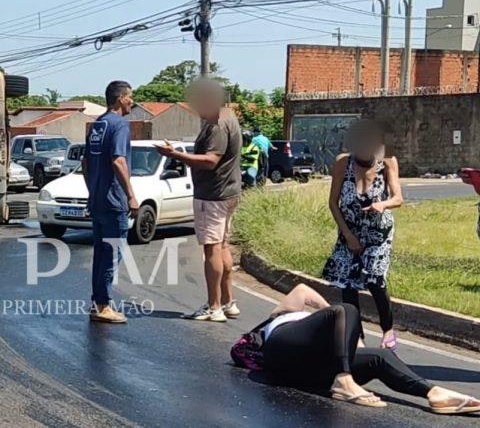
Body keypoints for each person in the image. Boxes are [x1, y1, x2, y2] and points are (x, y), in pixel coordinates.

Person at [256, 284, 480, 413]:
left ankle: (434, 393)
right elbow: (302, 290)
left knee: (380, 356)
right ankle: (344, 381)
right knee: (347, 309)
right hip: (281, 351)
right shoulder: (284, 316)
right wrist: (333, 313)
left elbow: (334, 318)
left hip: (315, 370)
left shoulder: (327, 330)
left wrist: (345, 333)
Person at [155, 78, 241, 322]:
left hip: (213, 195)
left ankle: (213, 306)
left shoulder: (216, 125)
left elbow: (211, 160)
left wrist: (176, 155)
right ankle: (228, 301)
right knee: (222, 246)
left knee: (212, 249)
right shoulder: (228, 116)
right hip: (227, 192)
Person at [323, 120, 403, 349]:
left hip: (378, 233)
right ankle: (355, 334)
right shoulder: (342, 163)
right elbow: (333, 203)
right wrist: (347, 235)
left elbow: (398, 198)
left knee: (375, 279)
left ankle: (388, 329)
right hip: (350, 231)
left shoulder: (387, 161)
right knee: (348, 283)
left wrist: (383, 204)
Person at [82, 80, 138, 324]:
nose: (132, 101)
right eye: (130, 97)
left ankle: (98, 303)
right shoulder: (120, 125)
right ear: (121, 99)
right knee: (112, 253)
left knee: (100, 254)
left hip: (97, 200)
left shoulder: (97, 124)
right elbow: (118, 161)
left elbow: (85, 163)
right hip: (114, 201)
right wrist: (131, 195)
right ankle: (103, 306)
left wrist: (92, 190)